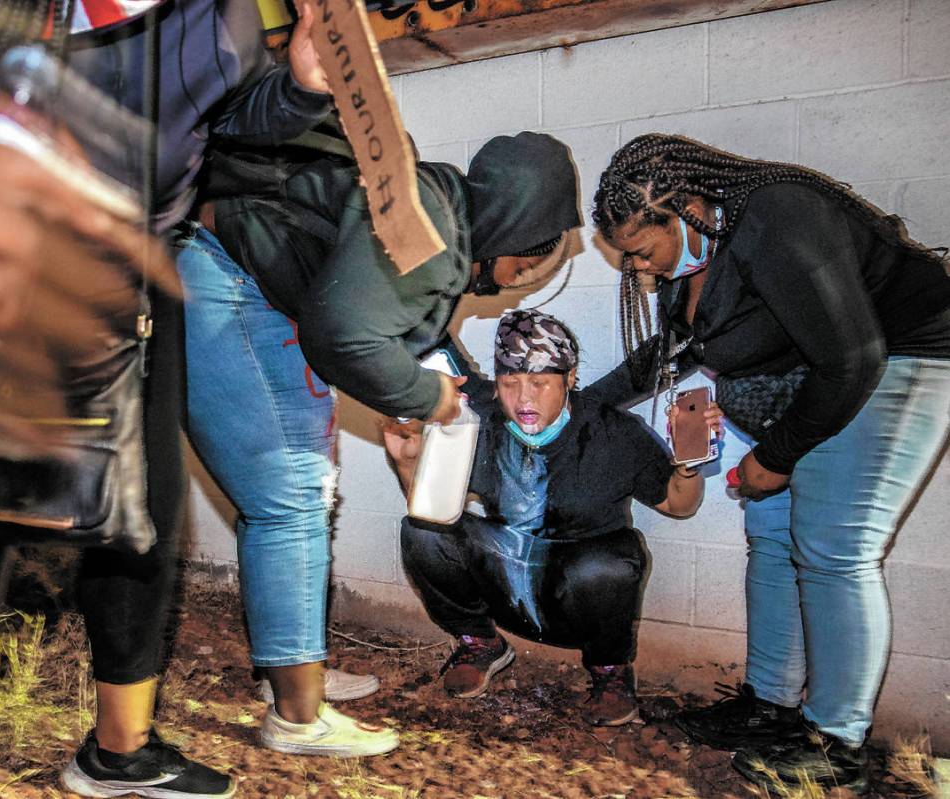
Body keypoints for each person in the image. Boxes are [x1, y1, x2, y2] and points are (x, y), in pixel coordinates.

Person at [0, 1, 335, 797]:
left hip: (134, 274)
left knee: (141, 522)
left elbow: (233, 121)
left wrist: (298, 87)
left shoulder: (216, 13)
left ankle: (118, 753)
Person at [179, 131, 583, 755]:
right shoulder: (436, 236)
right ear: (512, 233)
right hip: (226, 271)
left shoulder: (434, 204)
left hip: (244, 274)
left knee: (301, 490)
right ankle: (296, 715)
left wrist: (414, 389)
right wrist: (428, 399)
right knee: (291, 494)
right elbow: (342, 337)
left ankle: (292, 673)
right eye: (526, 266)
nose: (517, 281)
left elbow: (368, 318)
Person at [590, 133, 950, 793]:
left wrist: (775, 458)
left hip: (900, 357)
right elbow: (666, 356)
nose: (638, 271)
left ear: (687, 208)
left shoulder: (776, 217)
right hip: (818, 380)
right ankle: (768, 704)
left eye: (642, 251)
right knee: (771, 534)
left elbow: (852, 359)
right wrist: (585, 404)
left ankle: (833, 742)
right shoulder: (695, 264)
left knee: (835, 544)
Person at [381, 309, 721, 725]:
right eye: (510, 383)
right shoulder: (479, 420)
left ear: (570, 378)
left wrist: (689, 466)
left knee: (609, 563)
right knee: (422, 531)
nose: (524, 399)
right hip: (506, 579)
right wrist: (407, 463)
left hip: (577, 591)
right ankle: (481, 643)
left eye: (540, 384)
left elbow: (679, 505)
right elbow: (434, 509)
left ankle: (610, 671)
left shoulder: (613, 431)